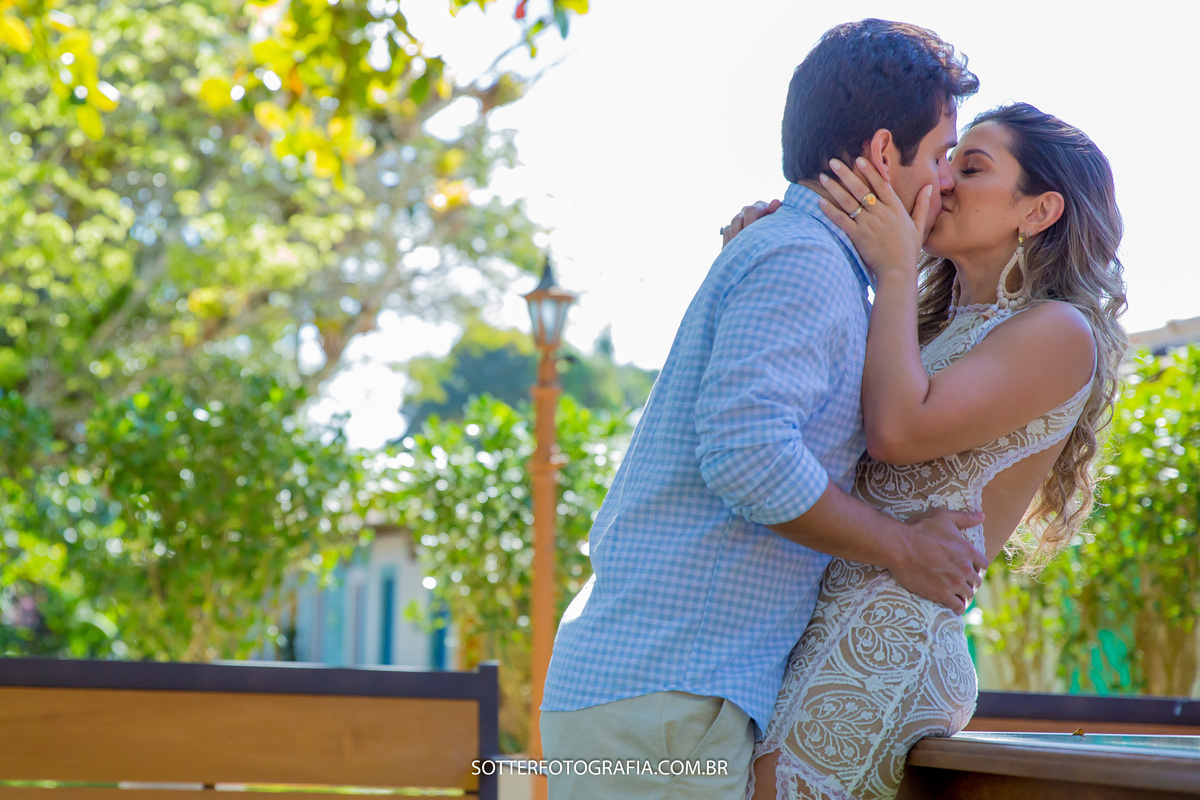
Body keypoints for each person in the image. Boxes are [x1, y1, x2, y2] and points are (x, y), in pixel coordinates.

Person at [538, 19, 988, 799]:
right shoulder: (805, 261)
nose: (945, 180)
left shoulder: (802, 255)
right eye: (942, 155)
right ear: (886, 155)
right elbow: (747, 453)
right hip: (668, 704)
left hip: (657, 697)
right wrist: (902, 549)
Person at [729, 102, 1127, 799]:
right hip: (806, 631)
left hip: (887, 643)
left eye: (970, 168)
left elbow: (897, 432)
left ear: (1038, 212)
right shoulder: (924, 327)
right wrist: (766, 255)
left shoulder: (1058, 331)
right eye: (945, 162)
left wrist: (894, 264)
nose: (941, 182)